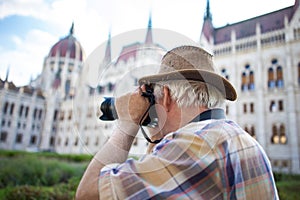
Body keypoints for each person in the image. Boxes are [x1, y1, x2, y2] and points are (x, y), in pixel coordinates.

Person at [76, 45, 279, 199]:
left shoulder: (193, 147)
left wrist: (128, 123)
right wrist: (156, 136)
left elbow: (88, 193)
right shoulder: (244, 141)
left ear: (165, 96)